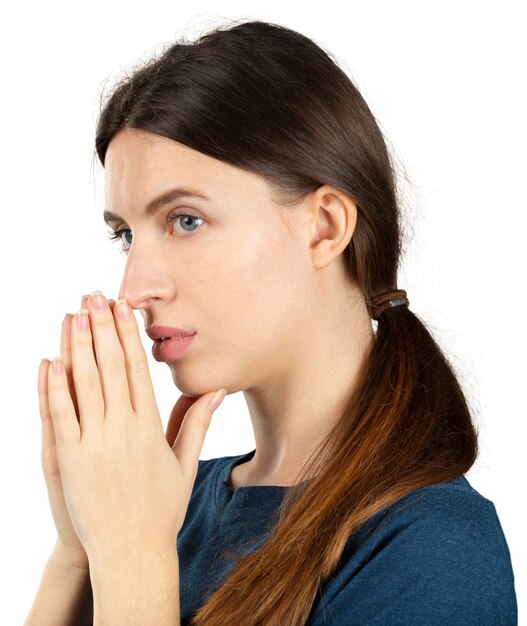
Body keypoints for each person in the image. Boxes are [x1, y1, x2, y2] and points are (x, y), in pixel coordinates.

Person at [25, 18, 517, 626]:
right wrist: (78, 552)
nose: (134, 289)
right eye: (125, 235)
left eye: (184, 220)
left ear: (326, 226)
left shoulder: (433, 548)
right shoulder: (163, 504)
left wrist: (132, 558)